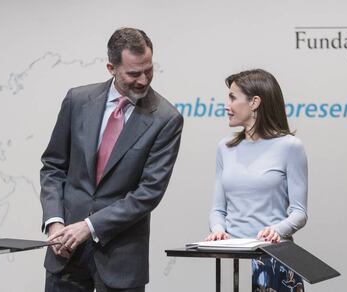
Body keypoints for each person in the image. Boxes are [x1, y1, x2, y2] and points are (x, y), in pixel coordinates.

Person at [40, 27, 183, 292]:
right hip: (65, 253)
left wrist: (89, 226)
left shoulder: (166, 119)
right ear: (111, 68)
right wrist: (54, 222)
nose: (143, 80)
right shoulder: (77, 100)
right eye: (133, 73)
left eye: (148, 70)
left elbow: (149, 192)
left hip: (121, 258)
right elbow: (53, 167)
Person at [206, 69, 307, 292]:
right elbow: (217, 210)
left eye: (233, 97)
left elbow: (299, 213)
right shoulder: (224, 148)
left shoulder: (290, 146)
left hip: (275, 259)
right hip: (234, 256)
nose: (227, 105)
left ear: (254, 102)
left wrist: (277, 230)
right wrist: (218, 229)